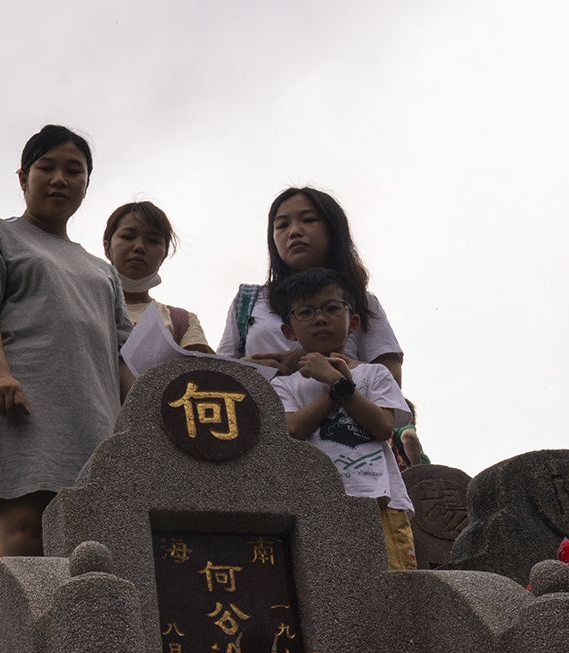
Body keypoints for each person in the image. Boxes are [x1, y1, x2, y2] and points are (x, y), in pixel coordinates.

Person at [0, 125, 132, 559]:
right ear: (22, 177)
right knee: (24, 538)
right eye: (46, 167)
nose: (59, 179)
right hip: (21, 405)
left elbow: (123, 355)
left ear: (87, 182)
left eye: (74, 170)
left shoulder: (103, 270)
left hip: (96, 420)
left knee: (98, 549)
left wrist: (139, 425)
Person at [268, 268, 417, 570]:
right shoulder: (283, 384)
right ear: (289, 331)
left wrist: (339, 382)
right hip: (316, 500)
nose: (320, 319)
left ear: (354, 322)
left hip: (381, 499)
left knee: (394, 578)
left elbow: (383, 427)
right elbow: (293, 428)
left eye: (332, 308)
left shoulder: (374, 374)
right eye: (306, 312)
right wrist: (336, 387)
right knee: (330, 577)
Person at [218, 186, 404, 384]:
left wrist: (312, 359)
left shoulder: (361, 301)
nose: (294, 232)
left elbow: (391, 381)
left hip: (338, 403)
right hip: (261, 404)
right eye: (282, 225)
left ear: (332, 230)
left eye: (308, 220)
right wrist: (246, 369)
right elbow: (215, 374)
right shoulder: (248, 301)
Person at [102, 201, 212, 352]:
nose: (139, 247)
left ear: (164, 254)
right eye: (128, 236)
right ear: (107, 246)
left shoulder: (184, 322)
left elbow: (202, 365)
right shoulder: (81, 304)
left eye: (153, 241)